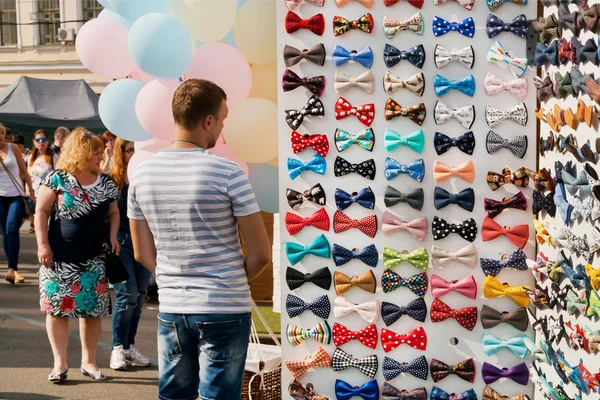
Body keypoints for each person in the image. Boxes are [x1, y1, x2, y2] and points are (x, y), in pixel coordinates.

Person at [128, 79, 271, 400]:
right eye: (221, 120)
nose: (221, 129)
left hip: (174, 305)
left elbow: (141, 252)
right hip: (224, 306)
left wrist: (172, 277)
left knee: (174, 396)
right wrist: (226, 279)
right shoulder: (229, 173)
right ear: (208, 121)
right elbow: (261, 253)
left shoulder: (141, 175)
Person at [35, 130, 120, 383]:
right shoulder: (57, 179)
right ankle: (59, 365)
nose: (101, 155)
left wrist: (114, 234)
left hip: (94, 259)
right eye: (95, 151)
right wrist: (42, 245)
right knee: (57, 310)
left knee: (92, 311)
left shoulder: (105, 182)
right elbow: (41, 211)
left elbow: (114, 213)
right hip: (59, 257)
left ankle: (89, 362)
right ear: (80, 153)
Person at [108, 138, 151, 371]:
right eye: (130, 150)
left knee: (141, 295)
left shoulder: (145, 176)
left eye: (137, 149)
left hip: (144, 243)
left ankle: (128, 345)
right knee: (127, 295)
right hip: (121, 243)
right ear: (120, 152)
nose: (134, 154)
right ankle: (117, 348)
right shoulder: (113, 180)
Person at [0, 123, 34, 284]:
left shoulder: (13, 148)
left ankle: (12, 268)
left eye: (1, 133)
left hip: (16, 195)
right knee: (5, 233)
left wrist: (31, 192)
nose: (0, 136)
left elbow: (24, 171)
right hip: (0, 197)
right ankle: (13, 269)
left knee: (12, 229)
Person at [26, 129, 58, 234]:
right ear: (34, 142)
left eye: (43, 139)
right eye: (38, 139)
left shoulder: (54, 157)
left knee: (47, 225)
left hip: (49, 196)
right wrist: (28, 192)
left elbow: (59, 177)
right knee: (39, 225)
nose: (41, 142)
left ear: (48, 141)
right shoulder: (31, 157)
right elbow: (28, 177)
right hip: (34, 196)